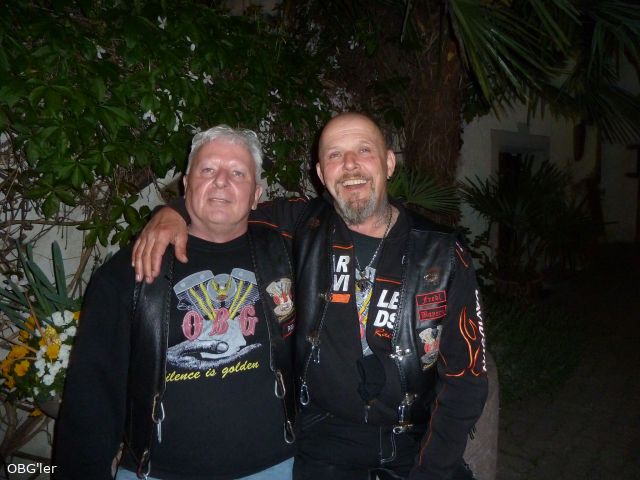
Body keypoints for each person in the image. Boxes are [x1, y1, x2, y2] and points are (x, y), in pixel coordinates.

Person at [132, 112, 488, 480]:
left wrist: (432, 471)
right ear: (320, 173)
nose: (350, 164)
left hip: (416, 442)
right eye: (335, 154)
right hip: (325, 444)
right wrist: (172, 212)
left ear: (388, 163)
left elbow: (466, 380)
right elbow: (225, 206)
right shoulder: (302, 224)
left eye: (364, 150)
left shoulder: (442, 253)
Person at [54, 125, 297, 480]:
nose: (221, 181)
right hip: (156, 473)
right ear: (186, 184)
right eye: (208, 169)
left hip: (275, 467)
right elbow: (91, 395)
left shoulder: (285, 255)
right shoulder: (129, 271)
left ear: (256, 194)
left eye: (237, 173)